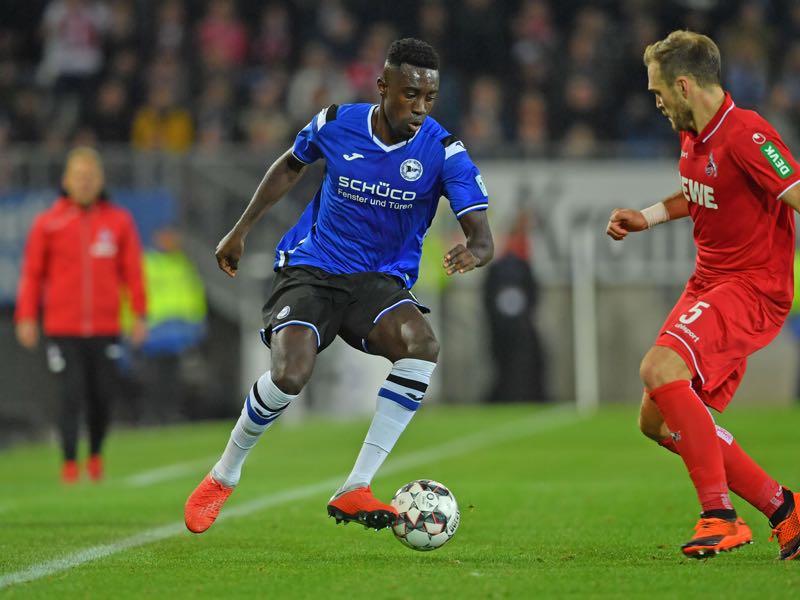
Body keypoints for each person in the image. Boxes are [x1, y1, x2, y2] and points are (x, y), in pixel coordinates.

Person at [184, 38, 494, 534]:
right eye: (410, 94)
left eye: (429, 98)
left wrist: (474, 251)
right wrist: (241, 231)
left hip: (378, 282)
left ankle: (356, 484)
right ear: (383, 87)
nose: (419, 108)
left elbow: (483, 238)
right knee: (290, 376)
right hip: (312, 267)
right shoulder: (335, 122)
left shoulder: (442, 150)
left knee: (422, 347)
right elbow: (290, 164)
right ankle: (224, 474)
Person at [606, 30, 800, 560]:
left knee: (659, 368)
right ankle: (785, 509)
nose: (657, 101)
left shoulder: (748, 134)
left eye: (658, 91)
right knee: (656, 420)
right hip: (709, 282)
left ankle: (719, 515)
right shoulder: (693, 129)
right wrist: (646, 217)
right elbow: (704, 192)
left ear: (685, 85)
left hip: (752, 287)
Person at [15, 147, 148, 483]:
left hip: (105, 327)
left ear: (100, 180)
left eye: (90, 176)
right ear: (66, 180)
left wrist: (140, 314)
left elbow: (132, 271)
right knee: (69, 393)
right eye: (79, 176)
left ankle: (96, 454)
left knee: (102, 395)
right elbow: (32, 274)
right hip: (63, 327)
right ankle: (70, 461)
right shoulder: (49, 223)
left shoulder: (118, 221)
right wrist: (26, 317)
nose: (85, 183)